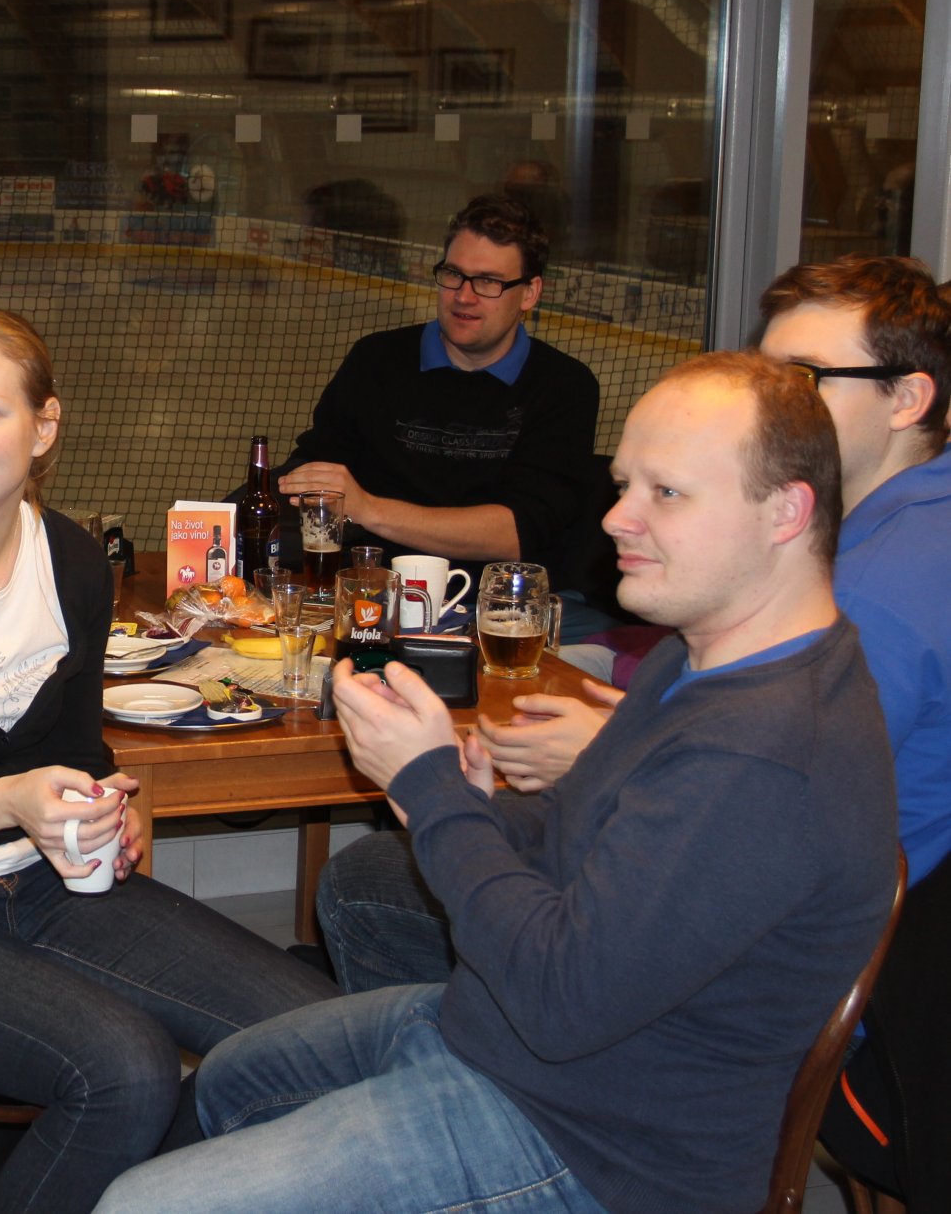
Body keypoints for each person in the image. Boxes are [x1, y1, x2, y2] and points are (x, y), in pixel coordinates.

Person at [95, 351, 898, 1214]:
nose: (617, 518)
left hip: (593, 1146)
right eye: (624, 485)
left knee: (142, 1207)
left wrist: (431, 788)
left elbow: (560, 996)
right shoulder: (698, 658)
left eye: (667, 493)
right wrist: (480, 806)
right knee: (230, 1079)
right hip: (502, 1040)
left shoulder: (764, 751)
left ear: (786, 511)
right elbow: (587, 845)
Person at [0, 305, 336, 1214]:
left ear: (44, 427)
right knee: (126, 1070)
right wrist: (5, 801)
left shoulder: (77, 565)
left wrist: (108, 815)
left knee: (313, 1038)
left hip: (44, 881)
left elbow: (81, 754)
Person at [320, 253, 951, 995]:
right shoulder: (896, 524)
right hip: (723, 899)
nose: (770, 402)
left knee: (375, 878)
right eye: (764, 372)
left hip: (742, 963)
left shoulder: (881, 586)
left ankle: (450, 1048)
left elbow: (764, 798)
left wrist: (605, 752)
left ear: (908, 398)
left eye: (804, 379)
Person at [273, 194, 599, 587]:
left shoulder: (564, 386)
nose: (464, 295)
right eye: (453, 274)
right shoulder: (376, 360)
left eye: (488, 282)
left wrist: (368, 509)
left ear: (529, 293)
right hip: (370, 589)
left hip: (497, 601)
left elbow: (517, 532)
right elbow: (318, 470)